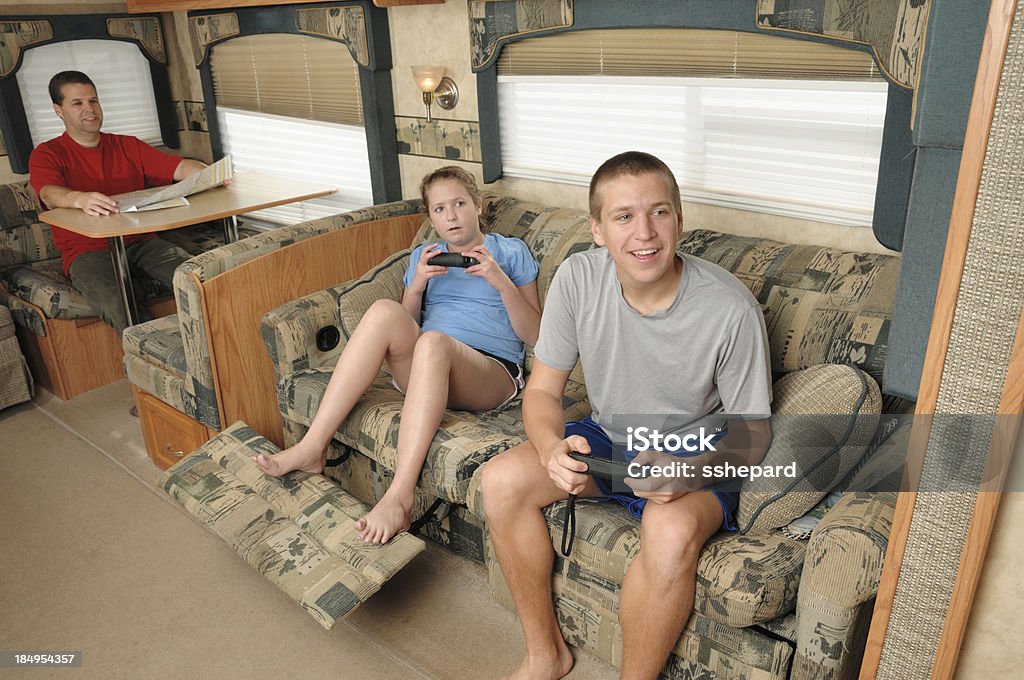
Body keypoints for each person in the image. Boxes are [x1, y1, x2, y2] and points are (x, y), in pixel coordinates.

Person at [479, 151, 773, 680]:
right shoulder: (577, 279)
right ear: (596, 229)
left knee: (668, 531)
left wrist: (687, 471)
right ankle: (545, 655)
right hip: (610, 436)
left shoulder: (732, 310)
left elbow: (753, 435)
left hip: (696, 447)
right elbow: (543, 391)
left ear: (679, 221)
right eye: (623, 216)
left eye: (659, 212)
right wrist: (550, 450)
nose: (645, 233)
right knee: (501, 481)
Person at [254, 166, 542, 545]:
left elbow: (536, 334)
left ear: (477, 205)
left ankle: (400, 495)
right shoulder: (425, 255)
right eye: (439, 209)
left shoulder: (510, 252)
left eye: (459, 204)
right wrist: (417, 285)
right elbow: (402, 328)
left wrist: (501, 283)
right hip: (427, 366)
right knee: (383, 312)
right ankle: (312, 447)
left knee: (434, 342)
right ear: (431, 217)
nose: (451, 216)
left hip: (490, 373)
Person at [28, 70, 208, 334]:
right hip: (87, 252)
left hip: (141, 241)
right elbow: (48, 193)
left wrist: (210, 174)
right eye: (77, 103)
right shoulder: (47, 153)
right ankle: (156, 360)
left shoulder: (127, 145)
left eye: (93, 101)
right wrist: (79, 198)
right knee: (119, 303)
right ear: (58, 110)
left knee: (199, 279)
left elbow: (180, 168)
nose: (90, 109)